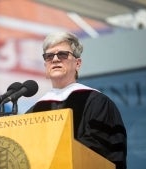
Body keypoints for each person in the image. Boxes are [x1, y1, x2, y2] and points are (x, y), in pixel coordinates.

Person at [26, 32, 127, 169]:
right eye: (49, 56)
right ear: (45, 65)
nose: (55, 59)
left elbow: (103, 151)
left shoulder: (97, 102)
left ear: (78, 63)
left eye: (62, 54)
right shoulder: (33, 112)